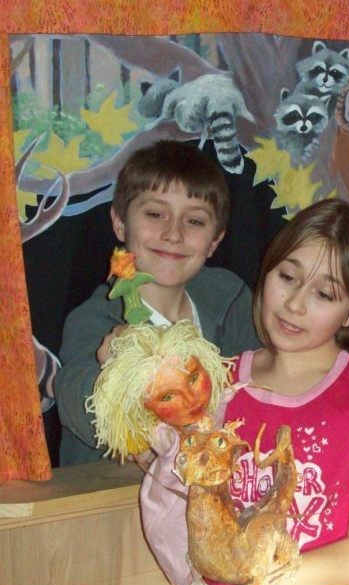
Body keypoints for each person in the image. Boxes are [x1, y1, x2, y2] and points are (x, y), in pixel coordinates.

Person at [196, 198, 349, 585]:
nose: (295, 304)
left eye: (324, 294)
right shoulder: (217, 382)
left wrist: (249, 571)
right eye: (288, 277)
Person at [54, 140, 259, 466]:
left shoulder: (230, 296)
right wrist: (121, 368)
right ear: (120, 222)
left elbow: (266, 382)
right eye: (155, 214)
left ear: (215, 240)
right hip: (119, 496)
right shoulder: (94, 320)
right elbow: (74, 399)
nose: (173, 233)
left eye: (194, 221)